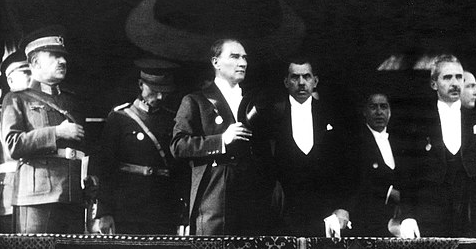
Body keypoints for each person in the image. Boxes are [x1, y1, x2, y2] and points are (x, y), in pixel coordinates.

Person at [170, 39, 274, 236]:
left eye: (244, 58)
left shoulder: (254, 102)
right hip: (215, 193)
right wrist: (221, 140)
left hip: (252, 194)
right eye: (234, 57)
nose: (242, 63)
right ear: (216, 62)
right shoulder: (196, 101)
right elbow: (178, 145)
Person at [399, 55, 476, 238]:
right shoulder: (419, 123)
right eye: (447, 78)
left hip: (473, 212)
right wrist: (407, 216)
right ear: (434, 84)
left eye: (459, 77)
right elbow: (408, 173)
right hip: (432, 213)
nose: (455, 83)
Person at [1, 26, 87, 233]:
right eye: (55, 56)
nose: (63, 62)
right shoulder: (16, 99)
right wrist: (56, 133)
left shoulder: (72, 101)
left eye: (63, 57)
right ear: (35, 63)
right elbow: (13, 144)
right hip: (36, 197)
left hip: (72, 195)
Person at [94, 60, 186, 235]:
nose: (160, 97)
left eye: (164, 92)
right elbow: (106, 168)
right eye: (155, 91)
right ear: (140, 84)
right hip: (127, 208)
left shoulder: (172, 120)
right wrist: (104, 211)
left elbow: (179, 169)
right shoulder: (119, 118)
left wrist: (181, 209)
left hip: (163, 208)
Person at [270, 58, 352, 237]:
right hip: (283, 215)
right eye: (294, 77)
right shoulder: (273, 117)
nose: (301, 83)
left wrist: (343, 207)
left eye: (306, 77)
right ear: (286, 82)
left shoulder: (332, 115)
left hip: (326, 214)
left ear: (315, 81)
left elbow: (347, 166)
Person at [0, 52, 31, 233]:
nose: (31, 77)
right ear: (10, 81)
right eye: (25, 72)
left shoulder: (42, 112)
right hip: (8, 201)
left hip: (39, 199)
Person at [347, 90, 400, 237]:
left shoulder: (397, 141)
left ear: (389, 111)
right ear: (365, 111)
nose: (379, 112)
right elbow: (357, 180)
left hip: (396, 220)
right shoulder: (355, 142)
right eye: (373, 107)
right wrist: (389, 192)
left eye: (383, 107)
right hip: (367, 219)